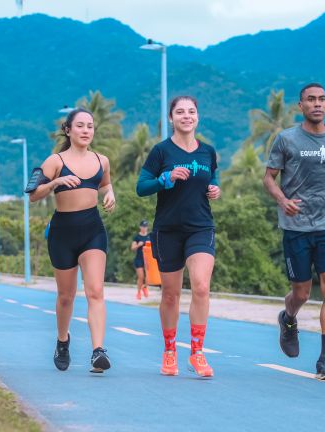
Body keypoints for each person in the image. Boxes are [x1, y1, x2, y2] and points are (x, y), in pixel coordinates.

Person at [263, 83, 325, 381]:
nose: (317, 104)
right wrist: (282, 200)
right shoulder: (286, 139)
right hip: (296, 227)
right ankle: (288, 317)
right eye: (311, 100)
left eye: (322, 99)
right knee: (301, 292)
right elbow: (269, 177)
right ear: (301, 105)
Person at [136, 95, 221, 378]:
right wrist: (166, 179)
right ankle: (170, 351)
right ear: (171, 118)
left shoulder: (207, 151)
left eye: (192, 111)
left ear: (198, 116)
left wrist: (215, 189)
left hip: (200, 226)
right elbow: (141, 187)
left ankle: (197, 352)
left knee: (200, 286)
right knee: (171, 294)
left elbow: (213, 178)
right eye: (181, 112)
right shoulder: (162, 151)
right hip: (168, 230)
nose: (187, 116)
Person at [27, 107, 116, 374]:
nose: (86, 130)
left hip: (92, 230)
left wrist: (110, 194)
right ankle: (63, 341)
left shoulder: (102, 161)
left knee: (95, 291)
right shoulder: (55, 161)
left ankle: (98, 351)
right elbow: (32, 194)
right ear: (68, 130)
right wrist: (56, 183)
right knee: (66, 296)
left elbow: (105, 184)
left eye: (90, 126)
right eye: (80, 126)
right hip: (62, 232)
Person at [130, 220, 150, 300]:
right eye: (143, 226)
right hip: (139, 259)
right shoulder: (137, 237)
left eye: (146, 226)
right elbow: (132, 248)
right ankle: (138, 292)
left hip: (148, 260)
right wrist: (138, 245)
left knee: (148, 277)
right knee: (141, 277)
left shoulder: (149, 236)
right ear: (140, 227)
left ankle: (144, 287)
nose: (144, 228)